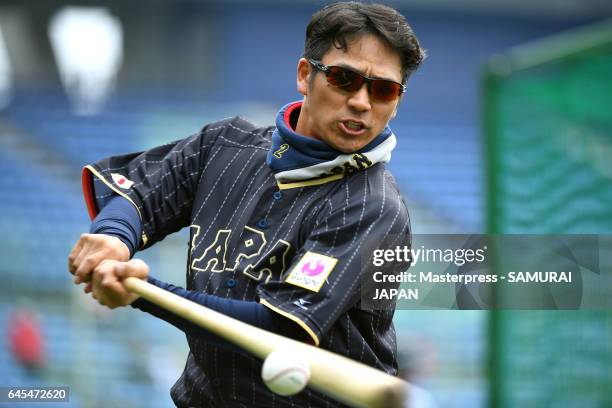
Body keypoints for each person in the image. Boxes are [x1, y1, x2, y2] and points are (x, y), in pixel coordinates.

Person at [68, 2, 425, 407]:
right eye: (344, 78)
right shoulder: (223, 145)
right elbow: (139, 194)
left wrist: (142, 292)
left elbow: (278, 329)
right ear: (306, 75)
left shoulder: (372, 206)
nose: (362, 101)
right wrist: (114, 239)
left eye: (383, 89)